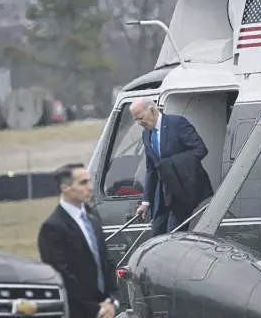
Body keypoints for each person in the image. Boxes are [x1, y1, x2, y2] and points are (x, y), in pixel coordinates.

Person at [37, 163, 119, 318]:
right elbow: (62, 275)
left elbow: (106, 262)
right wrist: (95, 310)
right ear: (65, 187)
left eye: (89, 181)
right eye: (83, 183)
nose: (90, 187)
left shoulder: (93, 221)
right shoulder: (53, 227)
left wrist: (112, 301)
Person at [130, 97, 213, 237]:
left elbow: (200, 149)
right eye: (136, 120)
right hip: (162, 195)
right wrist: (145, 202)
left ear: (151, 111)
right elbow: (151, 169)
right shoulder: (146, 134)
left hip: (182, 188)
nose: (139, 123)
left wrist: (171, 165)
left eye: (140, 118)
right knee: (156, 234)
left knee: (173, 235)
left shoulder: (177, 123)